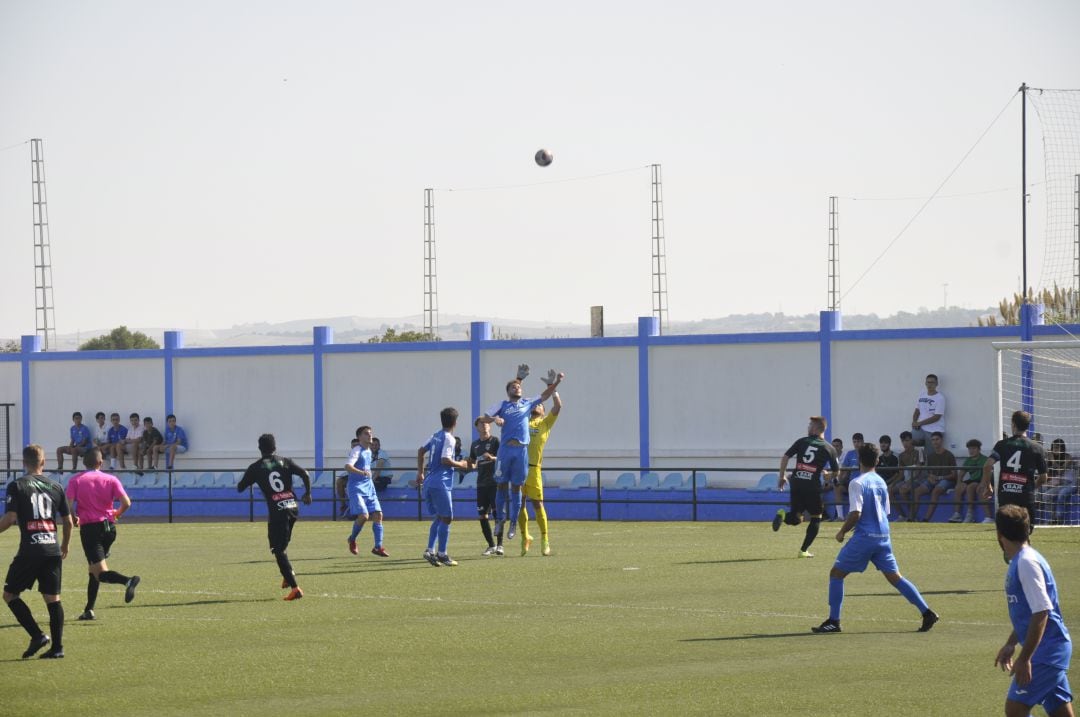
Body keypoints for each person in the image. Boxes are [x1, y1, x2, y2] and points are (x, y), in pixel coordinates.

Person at [811, 442, 939, 634]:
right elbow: (886, 512)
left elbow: (856, 513)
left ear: (859, 460)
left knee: (836, 574)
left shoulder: (857, 483)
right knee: (895, 577)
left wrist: (842, 532)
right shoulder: (881, 482)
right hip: (883, 536)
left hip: (865, 537)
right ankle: (927, 612)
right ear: (877, 461)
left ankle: (833, 621)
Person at [993, 504, 1073, 717]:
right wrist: (1011, 643)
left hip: (1047, 651)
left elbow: (1041, 612)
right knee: (1060, 712)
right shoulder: (1022, 559)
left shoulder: (1026, 562)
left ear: (999, 534)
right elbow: (1029, 612)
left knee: (1016, 708)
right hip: (1048, 649)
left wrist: (1025, 658)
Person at [477, 365, 564, 545]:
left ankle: (514, 522)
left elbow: (546, 396)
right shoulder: (502, 405)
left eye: (519, 386)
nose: (517, 388)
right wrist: (495, 419)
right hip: (505, 451)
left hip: (521, 451)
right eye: (513, 387)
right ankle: (500, 520)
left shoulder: (527, 403)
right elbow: (483, 418)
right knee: (501, 486)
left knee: (516, 489)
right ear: (508, 391)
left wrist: (556, 383)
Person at [1, 444, 73, 659]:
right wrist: (65, 545)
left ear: (24, 463)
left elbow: (10, 519)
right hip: (52, 549)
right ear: (43, 462)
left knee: (10, 594)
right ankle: (58, 648)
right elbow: (69, 522)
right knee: (53, 599)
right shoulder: (56, 486)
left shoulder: (17, 485)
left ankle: (37, 635)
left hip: (30, 550)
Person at [65, 449, 140, 621]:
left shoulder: (76, 480)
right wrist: (117, 514)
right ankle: (89, 609)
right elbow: (126, 503)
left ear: (84, 463)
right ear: (100, 463)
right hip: (109, 529)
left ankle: (129, 581)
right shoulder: (111, 479)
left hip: (90, 529)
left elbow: (68, 504)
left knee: (99, 572)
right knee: (93, 569)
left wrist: (74, 516)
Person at [236, 434, 312, 601]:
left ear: (259, 448)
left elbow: (240, 487)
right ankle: (287, 574)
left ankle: (295, 588)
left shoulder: (255, 467)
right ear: (275, 447)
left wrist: (250, 478)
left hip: (277, 511)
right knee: (282, 544)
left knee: (277, 549)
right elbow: (305, 474)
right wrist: (307, 493)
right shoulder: (285, 461)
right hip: (293, 507)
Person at [773, 416, 839, 559]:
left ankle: (783, 515)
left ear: (816, 428)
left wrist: (782, 476)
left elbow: (785, 457)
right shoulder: (829, 448)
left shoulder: (802, 441)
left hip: (796, 481)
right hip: (812, 485)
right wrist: (829, 476)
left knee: (796, 518)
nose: (808, 428)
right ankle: (803, 550)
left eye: (810, 425)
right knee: (816, 517)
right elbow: (837, 471)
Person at [417, 407, 470, 567]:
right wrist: (461, 464)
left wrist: (420, 473)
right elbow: (445, 460)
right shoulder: (449, 438)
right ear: (455, 422)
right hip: (441, 483)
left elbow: (420, 451)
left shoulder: (435, 436)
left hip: (430, 481)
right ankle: (443, 554)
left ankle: (430, 550)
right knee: (447, 518)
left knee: (440, 517)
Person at [981, 410, 1048, 529]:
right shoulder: (1037, 448)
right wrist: (1031, 487)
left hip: (1006, 495)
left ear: (1013, 424)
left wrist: (988, 486)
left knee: (1006, 533)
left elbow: (987, 465)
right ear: (1028, 426)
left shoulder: (1002, 445)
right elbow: (1043, 478)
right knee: (1025, 532)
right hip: (1025, 496)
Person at [519, 390, 562, 556]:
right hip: (519, 469)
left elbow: (558, 406)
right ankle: (525, 537)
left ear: (543, 411)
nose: (537, 406)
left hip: (534, 469)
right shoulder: (523, 421)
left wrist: (553, 389)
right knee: (519, 504)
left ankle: (545, 539)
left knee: (538, 505)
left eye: (540, 405)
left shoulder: (545, 423)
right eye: (534, 404)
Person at [345, 426, 389, 557]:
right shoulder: (357, 450)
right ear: (359, 437)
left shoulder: (369, 450)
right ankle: (352, 539)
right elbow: (348, 466)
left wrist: (367, 475)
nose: (369, 435)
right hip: (356, 487)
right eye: (366, 434)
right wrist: (362, 472)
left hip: (368, 486)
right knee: (364, 516)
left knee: (378, 515)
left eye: (370, 433)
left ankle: (378, 547)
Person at [468, 417, 501, 555]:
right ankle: (491, 545)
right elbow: (473, 463)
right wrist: (467, 464)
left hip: (494, 483)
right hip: (481, 484)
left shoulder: (495, 441)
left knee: (497, 514)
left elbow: (503, 458)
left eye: (487, 423)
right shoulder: (474, 445)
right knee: (482, 515)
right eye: (482, 423)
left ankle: (500, 545)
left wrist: (492, 458)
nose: (485, 425)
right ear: (477, 427)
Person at [913, 432, 958, 522]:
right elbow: (928, 472)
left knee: (935, 491)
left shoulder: (949, 455)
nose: (935, 442)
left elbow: (954, 475)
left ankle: (926, 519)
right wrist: (931, 478)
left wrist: (940, 478)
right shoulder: (930, 456)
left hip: (947, 480)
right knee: (917, 491)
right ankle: (913, 517)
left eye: (937, 439)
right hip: (934, 480)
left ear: (941, 440)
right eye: (933, 440)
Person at [950, 439, 989, 523]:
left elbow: (987, 474)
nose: (971, 451)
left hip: (981, 480)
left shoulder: (985, 459)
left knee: (970, 487)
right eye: (970, 449)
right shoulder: (968, 460)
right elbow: (961, 474)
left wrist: (982, 484)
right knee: (959, 488)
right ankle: (957, 514)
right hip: (972, 480)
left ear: (979, 449)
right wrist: (959, 483)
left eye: (973, 448)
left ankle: (970, 514)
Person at [892, 430, 925, 521]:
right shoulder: (901, 455)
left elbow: (919, 471)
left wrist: (908, 482)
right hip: (906, 481)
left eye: (907, 440)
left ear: (911, 440)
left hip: (918, 481)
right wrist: (892, 484)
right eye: (903, 441)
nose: (905, 443)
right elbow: (901, 474)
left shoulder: (919, 451)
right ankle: (902, 515)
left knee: (903, 490)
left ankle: (912, 515)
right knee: (889, 491)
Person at [831, 433, 864, 522]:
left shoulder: (866, 453)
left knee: (855, 486)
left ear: (862, 442)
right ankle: (840, 516)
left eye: (858, 442)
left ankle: (856, 515)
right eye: (854, 442)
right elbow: (844, 470)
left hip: (863, 483)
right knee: (837, 487)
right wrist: (839, 480)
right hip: (850, 483)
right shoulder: (850, 454)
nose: (856, 444)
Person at [911, 373, 946, 452]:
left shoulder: (940, 398)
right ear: (925, 383)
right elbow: (917, 410)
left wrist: (919, 423)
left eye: (932, 382)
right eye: (928, 382)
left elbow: (937, 417)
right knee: (912, 445)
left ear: (936, 384)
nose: (930, 385)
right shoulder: (922, 395)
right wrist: (914, 422)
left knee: (931, 454)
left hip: (934, 430)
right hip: (920, 429)